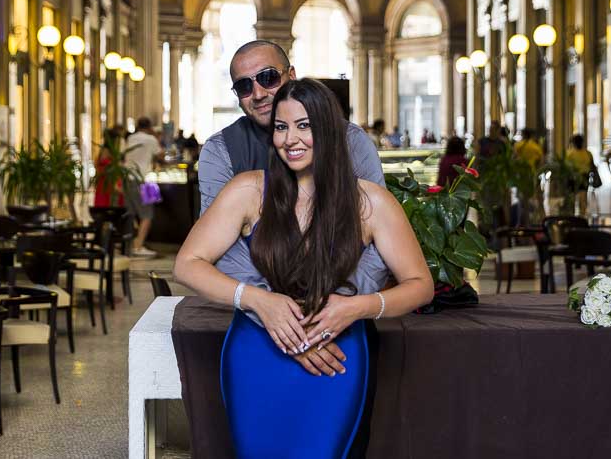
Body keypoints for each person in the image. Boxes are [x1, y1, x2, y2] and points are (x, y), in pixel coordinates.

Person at [174, 79, 433, 458]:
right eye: (281, 127)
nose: (289, 139)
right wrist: (260, 301)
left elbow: (419, 284)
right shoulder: (249, 190)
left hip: (336, 355)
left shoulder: (370, 202)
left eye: (304, 125)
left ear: (328, 129)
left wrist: (355, 307)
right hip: (255, 354)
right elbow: (187, 264)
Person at [198, 40, 383, 215]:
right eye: (244, 86)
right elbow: (216, 237)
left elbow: (377, 222)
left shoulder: (350, 138)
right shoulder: (220, 149)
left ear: (292, 75)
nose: (258, 94)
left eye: (268, 77)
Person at [125, 117, 164, 257]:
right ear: (149, 127)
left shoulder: (130, 138)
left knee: (130, 213)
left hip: (128, 178)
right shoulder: (151, 139)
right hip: (145, 180)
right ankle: (138, 246)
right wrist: (155, 136)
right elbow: (161, 156)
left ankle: (129, 245)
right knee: (147, 215)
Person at [93, 127, 126, 208]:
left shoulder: (106, 152)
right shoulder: (107, 152)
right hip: (108, 186)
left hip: (107, 185)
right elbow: (107, 171)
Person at [567, 134, 594, 216]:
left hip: (574, 178)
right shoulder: (588, 153)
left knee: (573, 199)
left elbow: (567, 167)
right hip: (582, 177)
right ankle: (582, 216)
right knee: (582, 199)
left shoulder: (570, 153)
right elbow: (591, 165)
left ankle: (573, 216)